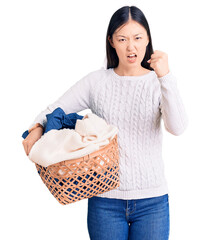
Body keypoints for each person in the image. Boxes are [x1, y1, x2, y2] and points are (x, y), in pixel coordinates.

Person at [22, 5, 189, 240]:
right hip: (105, 202)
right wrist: (36, 128)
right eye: (122, 39)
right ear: (112, 41)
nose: (131, 46)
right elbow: (53, 110)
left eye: (137, 38)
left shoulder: (158, 82)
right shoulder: (96, 82)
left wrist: (166, 77)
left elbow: (178, 127)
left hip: (152, 202)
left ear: (147, 39)